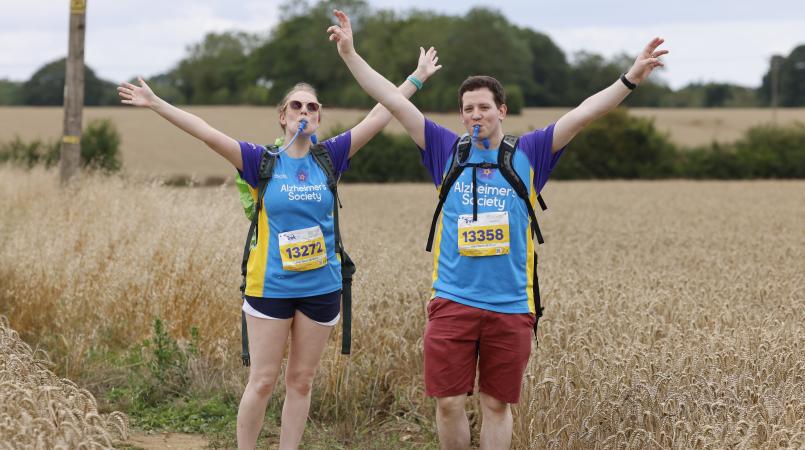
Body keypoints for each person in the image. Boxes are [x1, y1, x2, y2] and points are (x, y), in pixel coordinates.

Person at [328, 9, 668, 449]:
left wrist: (631, 78)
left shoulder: (530, 152)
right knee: (448, 402)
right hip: (452, 300)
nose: (475, 115)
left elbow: (584, 113)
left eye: (484, 107)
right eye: (467, 109)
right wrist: (351, 54)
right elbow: (393, 102)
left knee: (496, 405)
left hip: (511, 306)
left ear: (501, 110)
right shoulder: (443, 148)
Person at [117, 46, 441, 450]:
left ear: (318, 117)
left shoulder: (330, 156)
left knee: (301, 381)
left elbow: (380, 114)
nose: (304, 110)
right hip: (271, 286)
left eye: (312, 106)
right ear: (283, 117)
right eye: (296, 105)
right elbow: (204, 131)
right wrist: (156, 103)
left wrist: (418, 77)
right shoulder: (261, 161)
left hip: (322, 288)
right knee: (264, 380)